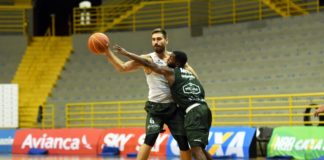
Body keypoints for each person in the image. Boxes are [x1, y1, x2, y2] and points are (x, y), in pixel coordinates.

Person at [103, 28, 195, 160]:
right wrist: (107, 52)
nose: (156, 42)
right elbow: (122, 67)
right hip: (155, 107)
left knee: (183, 141)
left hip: (174, 107)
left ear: (166, 40)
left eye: (159, 39)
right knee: (150, 139)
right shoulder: (147, 58)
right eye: (153, 40)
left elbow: (193, 76)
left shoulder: (175, 58)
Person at [114, 46, 213, 160]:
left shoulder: (171, 71)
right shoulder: (191, 76)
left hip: (194, 112)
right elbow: (201, 92)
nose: (168, 59)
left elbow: (148, 63)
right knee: (200, 147)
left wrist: (126, 53)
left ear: (177, 62)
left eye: (171, 58)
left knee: (196, 150)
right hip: (204, 110)